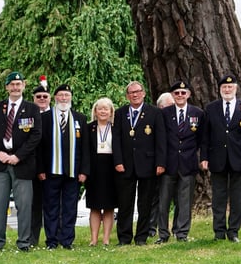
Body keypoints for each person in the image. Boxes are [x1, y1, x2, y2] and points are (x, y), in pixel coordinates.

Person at [0, 71, 42, 251]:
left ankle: (24, 242)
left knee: (24, 206)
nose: (15, 87)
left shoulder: (32, 108)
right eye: (12, 84)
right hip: (0, 163)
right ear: (7, 87)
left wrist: (18, 156)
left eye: (18, 84)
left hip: (22, 163)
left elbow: (36, 135)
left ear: (24, 85)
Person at [200, 74, 241, 243]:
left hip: (239, 159)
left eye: (230, 87)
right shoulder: (211, 108)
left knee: (237, 197)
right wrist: (204, 157)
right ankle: (218, 231)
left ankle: (233, 232)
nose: (227, 90)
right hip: (217, 159)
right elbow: (205, 136)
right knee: (218, 197)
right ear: (220, 90)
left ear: (236, 89)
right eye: (224, 87)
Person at [112, 81, 166, 246]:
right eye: (131, 93)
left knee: (145, 203)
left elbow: (160, 140)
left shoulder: (154, 113)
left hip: (148, 164)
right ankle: (124, 238)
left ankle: (141, 237)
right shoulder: (121, 113)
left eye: (137, 92)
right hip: (126, 165)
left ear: (143, 93)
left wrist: (160, 163)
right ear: (127, 96)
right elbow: (116, 139)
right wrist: (118, 161)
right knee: (125, 203)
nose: (134, 95)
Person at [37, 84, 90, 250]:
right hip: (51, 171)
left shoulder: (79, 118)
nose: (64, 98)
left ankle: (67, 240)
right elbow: (39, 147)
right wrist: (40, 170)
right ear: (55, 98)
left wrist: (84, 171)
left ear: (71, 98)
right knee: (51, 207)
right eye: (61, 95)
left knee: (70, 207)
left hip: (73, 171)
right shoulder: (45, 118)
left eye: (67, 95)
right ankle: (51, 240)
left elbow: (86, 147)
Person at [156, 81, 204, 243]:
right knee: (163, 202)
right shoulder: (164, 113)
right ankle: (163, 234)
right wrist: (160, 163)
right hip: (168, 164)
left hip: (187, 163)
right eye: (177, 93)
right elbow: (160, 140)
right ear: (172, 95)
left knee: (184, 202)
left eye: (183, 93)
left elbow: (201, 140)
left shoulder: (197, 113)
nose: (180, 96)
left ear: (189, 95)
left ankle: (182, 233)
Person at [85, 97, 118, 246]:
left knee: (109, 206)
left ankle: (106, 239)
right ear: (95, 111)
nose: (103, 111)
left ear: (111, 112)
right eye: (100, 108)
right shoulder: (89, 128)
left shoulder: (117, 128)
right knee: (95, 205)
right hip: (94, 169)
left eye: (106, 109)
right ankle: (93, 238)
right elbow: (84, 151)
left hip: (112, 168)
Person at [147, 92, 176, 238]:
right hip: (156, 164)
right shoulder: (153, 119)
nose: (172, 108)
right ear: (160, 107)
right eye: (169, 105)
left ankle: (176, 228)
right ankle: (151, 227)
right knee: (154, 197)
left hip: (173, 164)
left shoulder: (175, 119)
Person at [30, 82, 52, 246]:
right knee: (34, 205)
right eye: (39, 97)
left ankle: (53, 237)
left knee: (53, 205)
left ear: (50, 98)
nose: (42, 99)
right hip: (33, 168)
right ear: (33, 99)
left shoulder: (56, 117)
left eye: (45, 96)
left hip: (53, 167)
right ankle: (32, 238)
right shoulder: (28, 116)